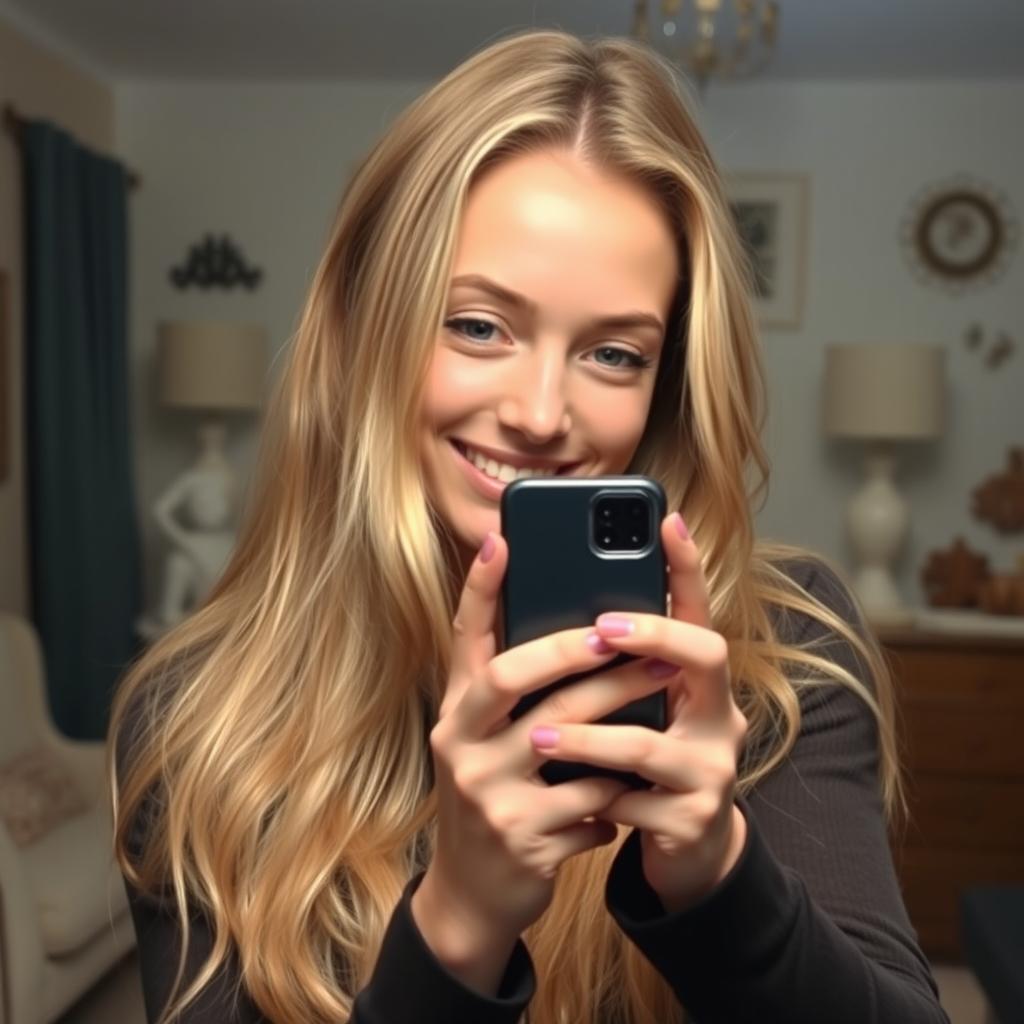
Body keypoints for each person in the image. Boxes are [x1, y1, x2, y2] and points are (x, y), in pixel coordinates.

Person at [108, 28, 950, 1024]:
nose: (542, 412)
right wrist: (459, 921)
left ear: (665, 385)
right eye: (478, 325)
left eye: (613, 354)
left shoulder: (785, 653)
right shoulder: (201, 715)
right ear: (362, 325)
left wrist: (718, 873)